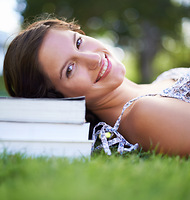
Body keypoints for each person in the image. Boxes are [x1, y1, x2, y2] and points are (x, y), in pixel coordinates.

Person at [3, 17, 190, 157]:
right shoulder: (143, 114)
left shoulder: (157, 83)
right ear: (60, 99)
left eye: (78, 42)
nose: (94, 59)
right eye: (70, 69)